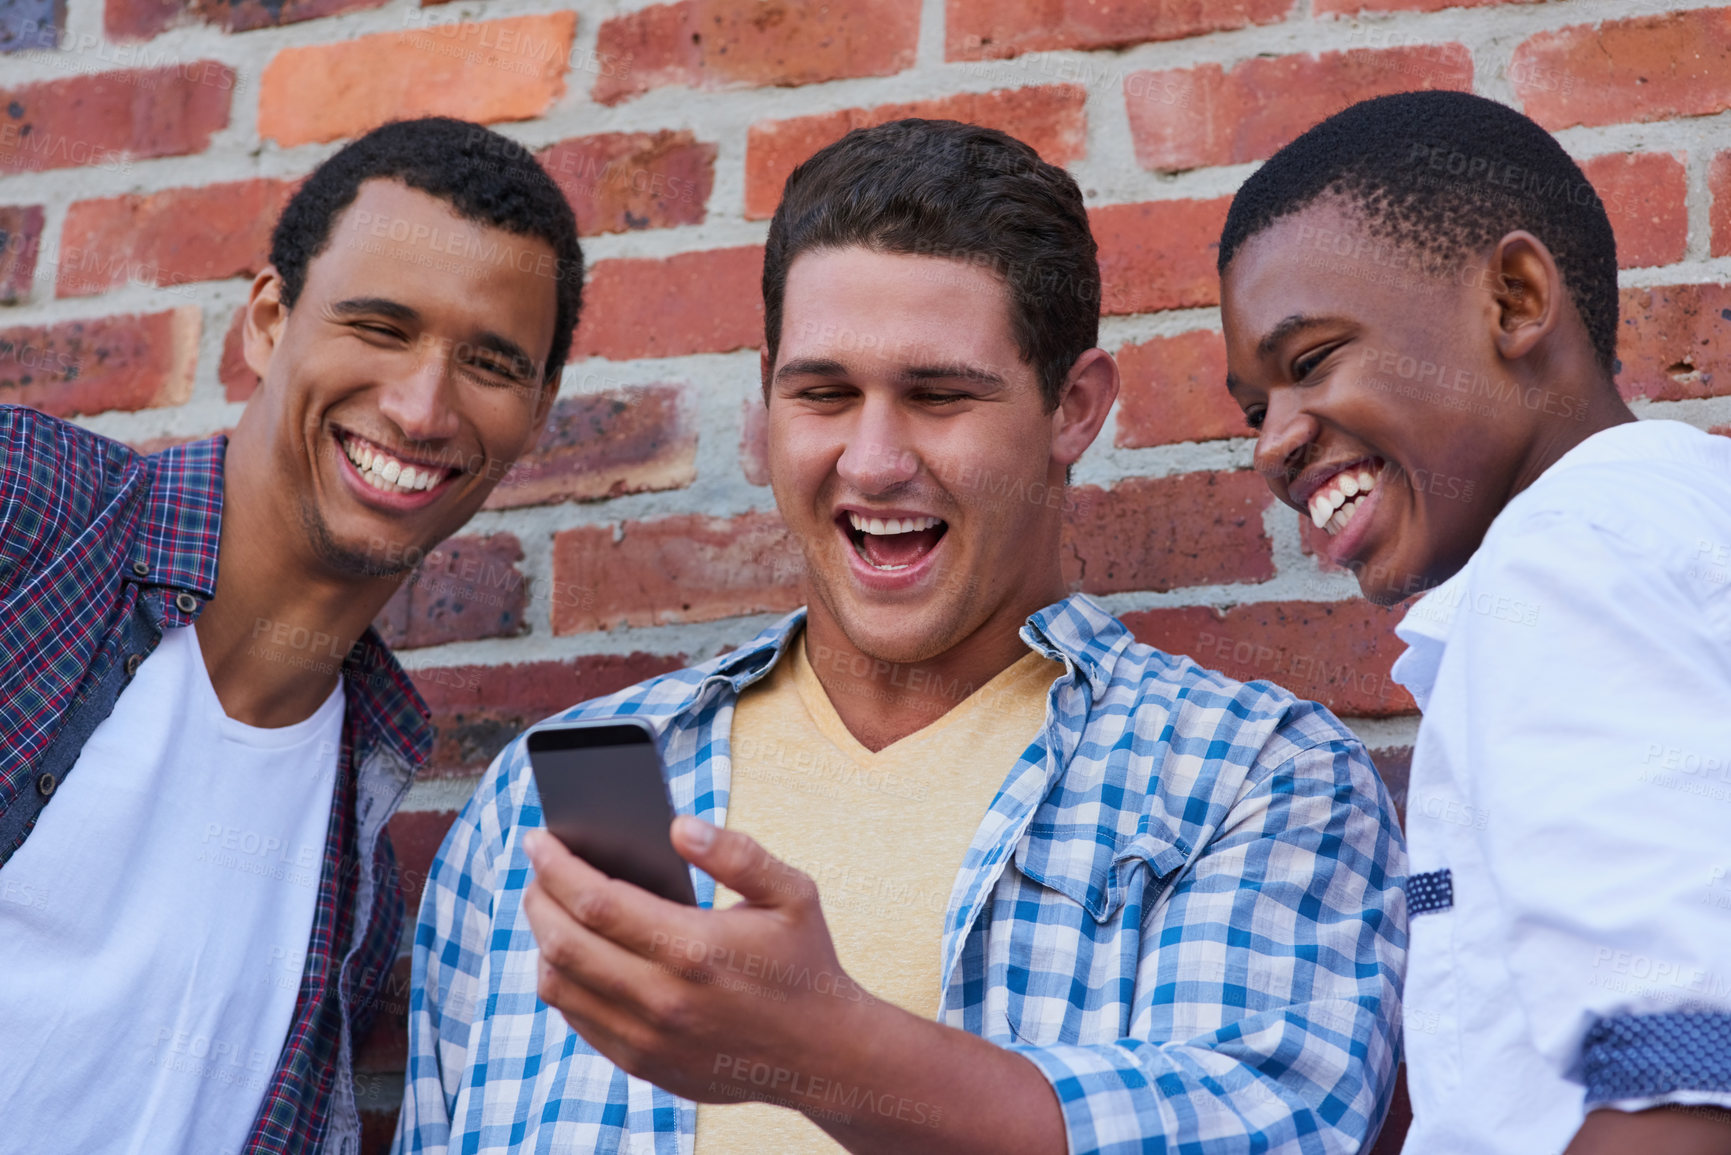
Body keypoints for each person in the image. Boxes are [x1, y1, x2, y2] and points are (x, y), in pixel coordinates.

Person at [396, 118, 1407, 1155]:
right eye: (824, 393)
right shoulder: (545, 799)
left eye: (938, 396)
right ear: (766, 398)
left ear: (1074, 407)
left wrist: (824, 1057)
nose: (873, 461)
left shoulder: (1243, 782)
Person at [0, 116, 582, 1154]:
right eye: (381, 327)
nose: (421, 407)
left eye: (490, 363)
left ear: (538, 412)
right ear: (268, 321)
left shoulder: (361, 865)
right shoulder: (28, 519)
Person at [1217, 90, 1731, 1155]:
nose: (1271, 443)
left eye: (1309, 361)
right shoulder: (1668, 529)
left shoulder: (1560, 569)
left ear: (1513, 298)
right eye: (1254, 407)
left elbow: (1679, 1082)